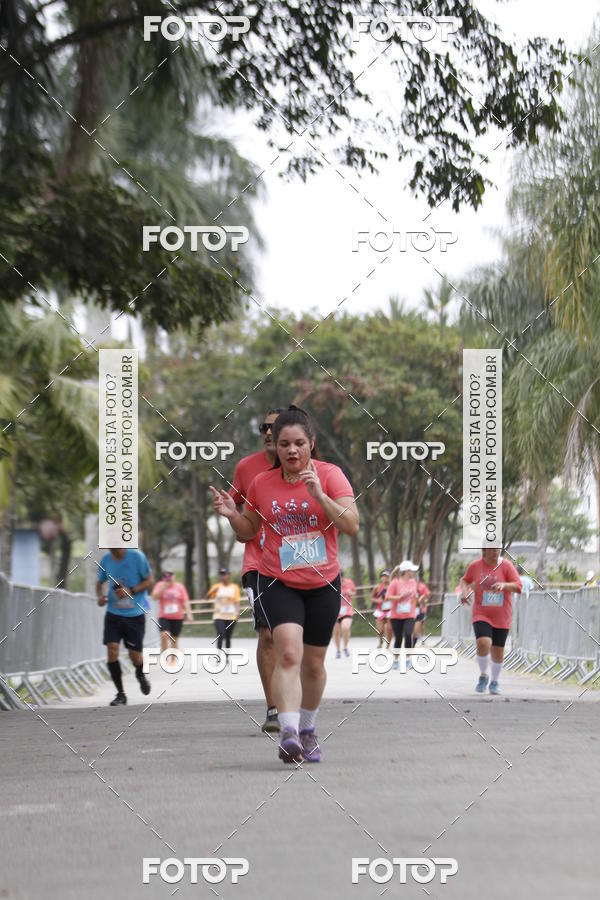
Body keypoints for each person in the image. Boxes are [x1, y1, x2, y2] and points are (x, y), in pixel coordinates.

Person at [210, 405, 359, 764]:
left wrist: (320, 495)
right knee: (289, 653)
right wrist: (232, 516)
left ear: (311, 444)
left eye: (299, 443)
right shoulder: (262, 483)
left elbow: (351, 524)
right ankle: (288, 733)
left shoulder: (331, 475)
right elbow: (249, 531)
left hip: (323, 582)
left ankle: (307, 729)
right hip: (278, 579)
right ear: (275, 446)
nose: (292, 450)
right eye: (284, 444)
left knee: (313, 664)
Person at [230, 407, 285, 733]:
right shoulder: (246, 468)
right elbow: (236, 507)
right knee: (267, 634)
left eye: (273, 427)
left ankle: (295, 699)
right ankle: (274, 708)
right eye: (263, 427)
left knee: (292, 638)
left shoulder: (305, 466)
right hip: (259, 563)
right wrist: (237, 522)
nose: (267, 432)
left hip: (298, 563)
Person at [459, 548, 522, 695]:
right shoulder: (475, 566)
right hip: (481, 613)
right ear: (484, 550)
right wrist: (464, 592)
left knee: (497, 651)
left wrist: (504, 585)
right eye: (492, 550)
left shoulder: (506, 566)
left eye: (497, 549)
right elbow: (465, 580)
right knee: (483, 642)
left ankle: (494, 681)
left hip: (502, 615)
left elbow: (518, 586)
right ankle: (483, 675)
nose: (495, 552)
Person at [96, 547, 153, 706]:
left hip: (135, 614)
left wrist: (131, 590)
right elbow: (99, 582)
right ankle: (121, 694)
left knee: (135, 656)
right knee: (112, 649)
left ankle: (140, 674)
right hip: (113, 614)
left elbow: (149, 580)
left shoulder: (137, 556)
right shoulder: (106, 559)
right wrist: (100, 596)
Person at [151, 570, 193, 661]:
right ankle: (164, 658)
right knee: (164, 635)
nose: (168, 579)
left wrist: (189, 614)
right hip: (164, 616)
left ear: (173, 577)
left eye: (170, 576)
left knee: (174, 639)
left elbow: (185, 601)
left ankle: (173, 660)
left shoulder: (180, 587)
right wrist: (162, 588)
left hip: (177, 617)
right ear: (163, 578)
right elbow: (154, 597)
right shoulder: (159, 585)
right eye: (165, 577)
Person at [387, 561, 419, 669]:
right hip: (396, 616)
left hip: (410, 614)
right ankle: (396, 660)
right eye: (411, 570)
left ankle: (408, 659)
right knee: (398, 638)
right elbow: (388, 597)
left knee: (408, 634)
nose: (413, 572)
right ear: (406, 571)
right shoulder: (395, 583)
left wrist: (415, 608)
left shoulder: (413, 582)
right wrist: (400, 597)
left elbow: (414, 596)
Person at [207, 568, 241, 651]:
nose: (222, 576)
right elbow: (207, 598)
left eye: (224, 574)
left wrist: (238, 613)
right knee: (221, 634)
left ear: (229, 575)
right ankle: (219, 654)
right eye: (221, 575)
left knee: (228, 636)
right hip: (219, 615)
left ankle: (227, 655)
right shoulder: (216, 586)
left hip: (231, 615)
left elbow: (237, 602)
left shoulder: (234, 587)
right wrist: (212, 592)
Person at [333, 571, 356, 658]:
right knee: (336, 632)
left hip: (347, 609)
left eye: (341, 578)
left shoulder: (349, 582)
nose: (340, 580)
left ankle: (345, 647)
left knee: (345, 627)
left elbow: (354, 592)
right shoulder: (332, 583)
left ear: (343, 577)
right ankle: (338, 650)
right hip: (336, 610)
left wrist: (350, 593)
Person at [371, 570, 392, 648]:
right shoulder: (377, 587)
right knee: (380, 630)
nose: (385, 578)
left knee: (389, 629)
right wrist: (378, 600)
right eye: (383, 576)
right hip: (380, 611)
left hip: (390, 611)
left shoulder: (392, 586)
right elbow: (372, 598)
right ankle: (380, 641)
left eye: (386, 576)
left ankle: (388, 645)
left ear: (390, 577)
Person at [413, 572, 431, 646]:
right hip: (411, 609)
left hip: (421, 609)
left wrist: (423, 599)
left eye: (416, 577)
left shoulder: (422, 586)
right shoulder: (409, 586)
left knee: (421, 624)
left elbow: (427, 595)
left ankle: (423, 638)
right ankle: (415, 638)